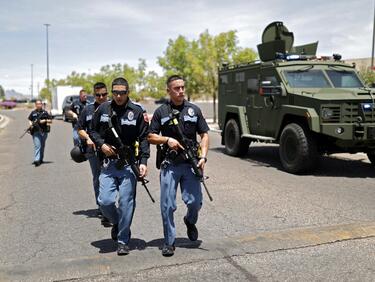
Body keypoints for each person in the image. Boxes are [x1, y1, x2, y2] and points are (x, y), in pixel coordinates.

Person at [148, 75, 210, 257]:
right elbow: (150, 136)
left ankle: (190, 221)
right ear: (168, 91)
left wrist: (203, 157)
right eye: (176, 88)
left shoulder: (194, 110)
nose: (181, 91)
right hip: (170, 164)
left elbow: (204, 134)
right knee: (167, 205)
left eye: (183, 87)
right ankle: (169, 241)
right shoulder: (161, 112)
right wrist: (167, 139)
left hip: (190, 163)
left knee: (195, 202)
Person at [89, 77, 150, 255]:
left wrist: (144, 162)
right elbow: (92, 130)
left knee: (126, 202)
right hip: (108, 164)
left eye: (122, 92)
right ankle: (117, 222)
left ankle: (123, 240)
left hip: (128, 165)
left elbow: (144, 138)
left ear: (128, 92)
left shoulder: (136, 111)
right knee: (104, 202)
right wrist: (101, 145)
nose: (118, 96)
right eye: (115, 92)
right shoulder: (103, 109)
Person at [77, 82, 110, 226]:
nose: (101, 97)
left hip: (109, 150)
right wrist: (88, 138)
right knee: (98, 178)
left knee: (110, 178)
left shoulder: (112, 107)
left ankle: (109, 205)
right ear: (94, 95)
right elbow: (79, 128)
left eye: (104, 94)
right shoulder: (87, 109)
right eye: (98, 95)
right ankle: (102, 208)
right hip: (93, 151)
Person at [28, 99, 52, 167]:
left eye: (40, 104)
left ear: (42, 104)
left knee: (42, 146)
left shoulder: (45, 112)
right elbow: (29, 119)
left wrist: (44, 120)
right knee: (37, 146)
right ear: (35, 105)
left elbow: (50, 121)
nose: (39, 105)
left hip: (44, 132)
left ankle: (41, 159)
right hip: (36, 132)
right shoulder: (33, 113)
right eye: (37, 104)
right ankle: (37, 160)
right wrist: (30, 124)